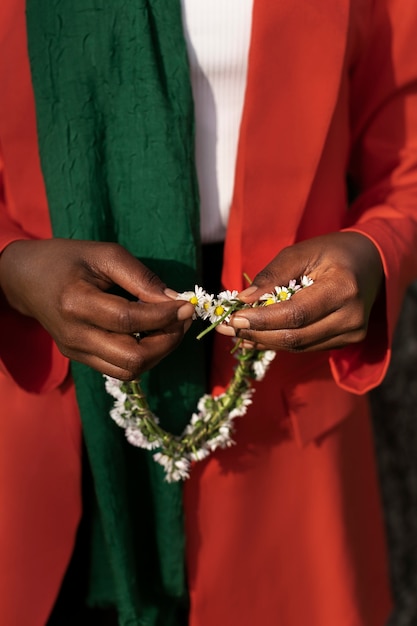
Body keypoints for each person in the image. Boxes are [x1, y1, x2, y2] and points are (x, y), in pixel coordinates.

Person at [1, 1, 417, 625]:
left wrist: (375, 250)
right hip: (49, 384)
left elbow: (407, 157)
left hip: (283, 390)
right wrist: (9, 266)